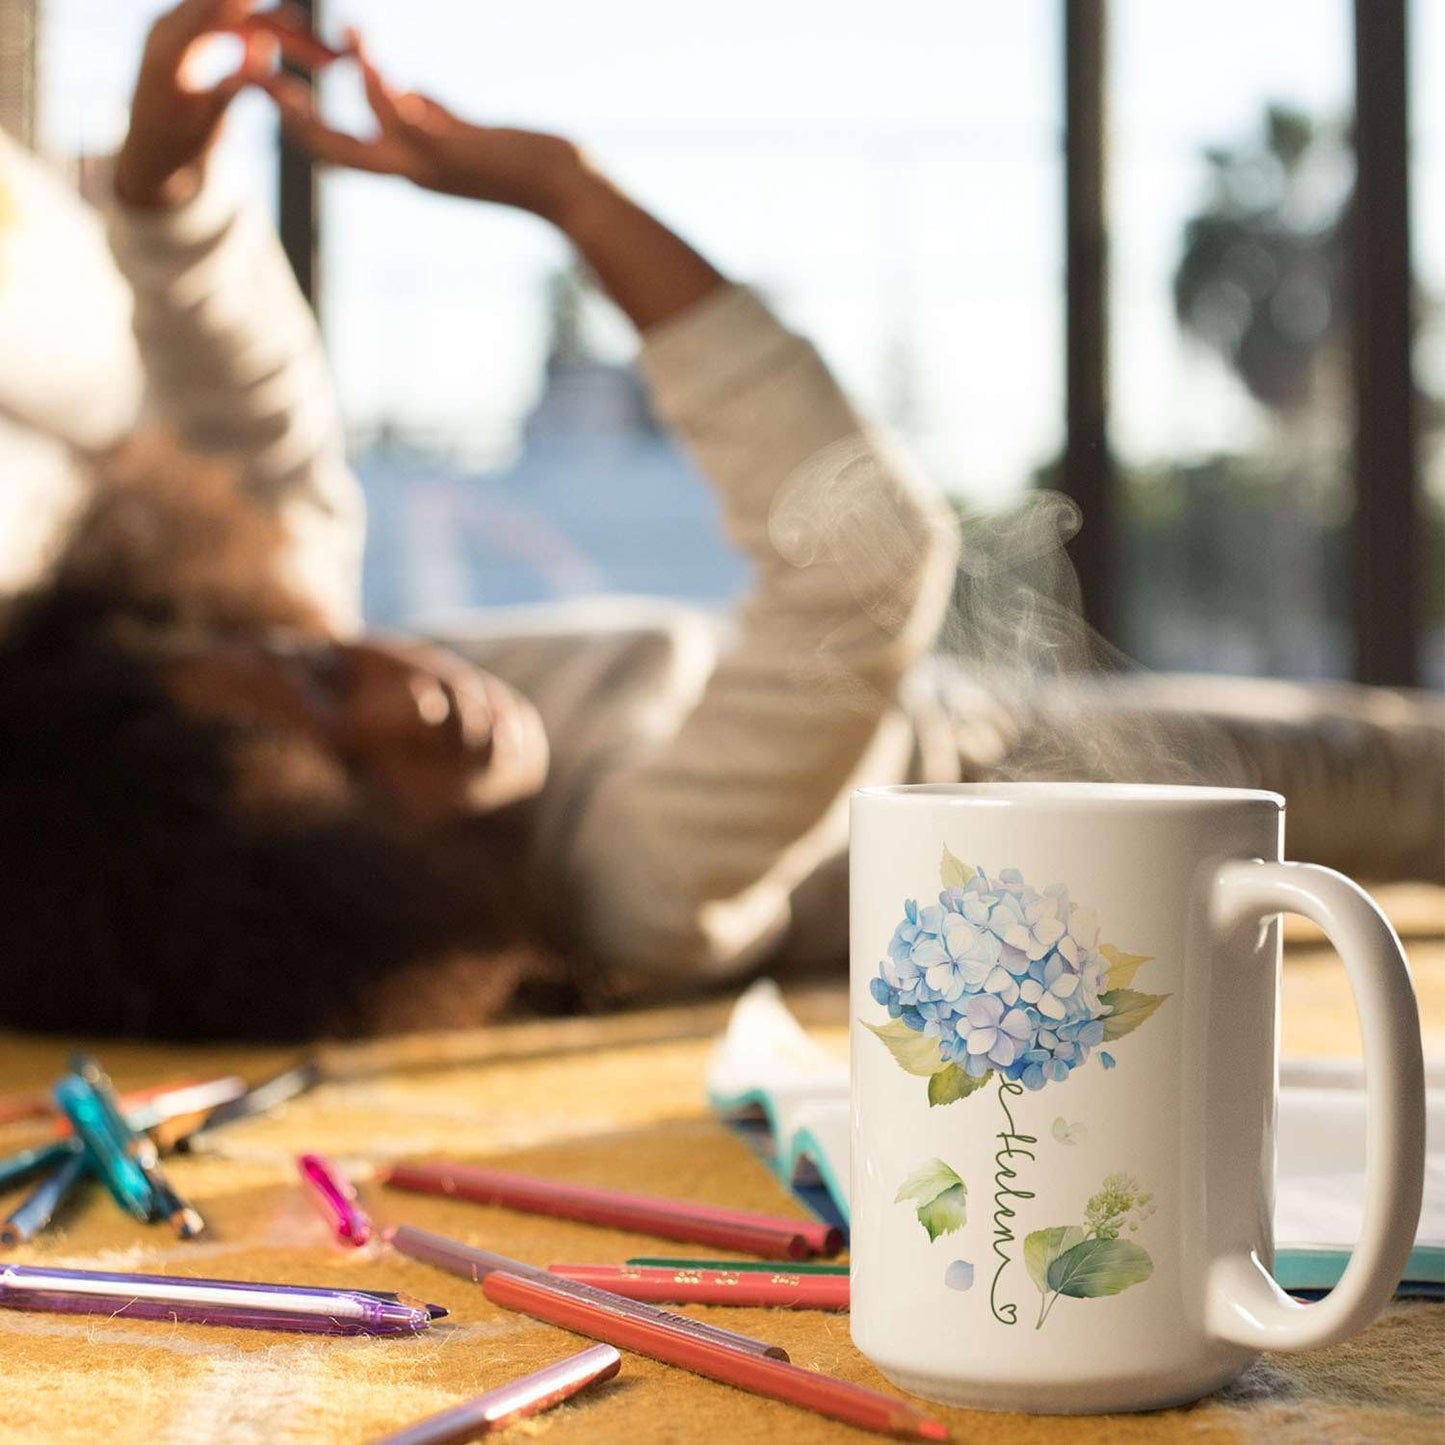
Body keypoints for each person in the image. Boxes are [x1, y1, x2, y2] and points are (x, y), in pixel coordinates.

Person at [0, 5, 1439, 1040]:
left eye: (317, 667)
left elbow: (249, 444)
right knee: (1389, 786)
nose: (402, 697)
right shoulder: (637, 894)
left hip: (988, 711)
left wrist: (165, 200)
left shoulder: (314, 674)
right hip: (1042, 796)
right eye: (352, 779)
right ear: (355, 899)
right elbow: (867, 562)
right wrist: (571, 195)